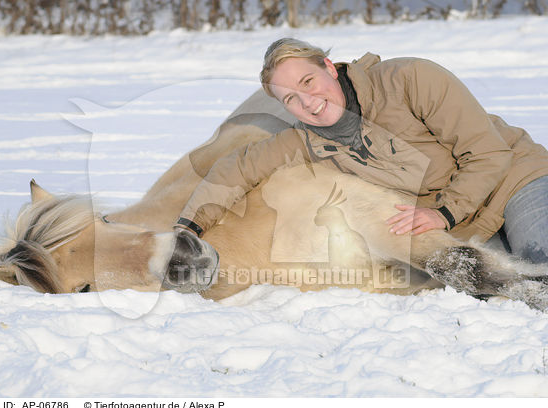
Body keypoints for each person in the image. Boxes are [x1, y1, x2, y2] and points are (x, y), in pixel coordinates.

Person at [175, 38, 548, 264]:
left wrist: (445, 213)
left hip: (516, 181)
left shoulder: (410, 79)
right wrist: (186, 230)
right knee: (504, 286)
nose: (308, 102)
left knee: (539, 257)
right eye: (290, 98)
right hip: (465, 224)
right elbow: (236, 169)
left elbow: (489, 153)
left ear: (328, 67)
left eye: (308, 81)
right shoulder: (307, 141)